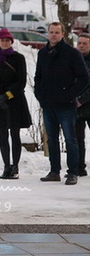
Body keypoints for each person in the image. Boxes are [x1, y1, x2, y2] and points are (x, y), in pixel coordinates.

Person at [35, 22, 90, 185]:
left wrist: (70, 94)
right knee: (51, 139)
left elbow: (84, 78)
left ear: (63, 34)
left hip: (66, 105)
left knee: (70, 139)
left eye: (57, 32)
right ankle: (54, 171)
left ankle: (73, 172)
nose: (53, 35)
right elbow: (38, 76)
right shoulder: (43, 53)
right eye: (51, 32)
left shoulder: (72, 53)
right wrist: (40, 95)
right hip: (48, 104)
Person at [0, 28, 32, 179]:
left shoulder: (19, 58)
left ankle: (15, 167)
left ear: (11, 42)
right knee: (2, 135)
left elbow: (21, 81)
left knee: (15, 134)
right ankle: (6, 167)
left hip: (15, 101)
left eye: (7, 40)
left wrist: (7, 95)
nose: (5, 43)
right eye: (2, 40)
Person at [76, 34, 90, 177]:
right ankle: (79, 167)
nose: (82, 46)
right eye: (80, 43)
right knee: (77, 139)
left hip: (86, 104)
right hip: (75, 107)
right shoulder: (73, 60)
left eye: (85, 43)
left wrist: (82, 99)